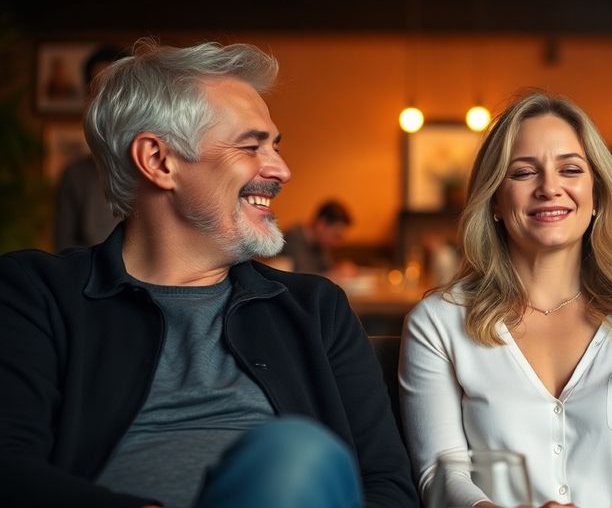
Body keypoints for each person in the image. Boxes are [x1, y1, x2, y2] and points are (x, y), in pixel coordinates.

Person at [0, 40, 417, 508]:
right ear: (159, 161)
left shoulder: (316, 308)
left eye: (275, 147)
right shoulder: (35, 293)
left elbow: (387, 485)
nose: (282, 170)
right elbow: (9, 470)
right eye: (251, 146)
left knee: (295, 455)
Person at [399, 91, 612, 508]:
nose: (550, 188)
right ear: (494, 201)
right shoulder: (438, 323)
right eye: (524, 173)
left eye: (571, 169)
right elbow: (441, 472)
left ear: (596, 194)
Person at [52, 45, 126, 251]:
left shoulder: (161, 163)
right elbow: (63, 250)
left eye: (114, 89)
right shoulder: (75, 175)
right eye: (96, 89)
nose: (105, 100)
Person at [277, 199, 355, 275]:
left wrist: (338, 269)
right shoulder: (293, 239)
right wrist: (335, 273)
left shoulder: (320, 243)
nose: (337, 243)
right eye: (336, 236)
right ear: (321, 224)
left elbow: (327, 269)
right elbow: (301, 278)